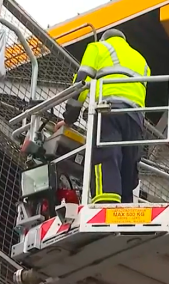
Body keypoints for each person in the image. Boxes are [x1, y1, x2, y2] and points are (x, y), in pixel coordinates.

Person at [54, 28, 151, 204]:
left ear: (106, 38)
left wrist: (69, 119)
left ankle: (105, 206)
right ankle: (125, 208)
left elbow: (81, 84)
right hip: (136, 119)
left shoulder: (98, 47)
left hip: (108, 110)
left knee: (106, 156)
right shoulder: (142, 60)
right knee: (128, 164)